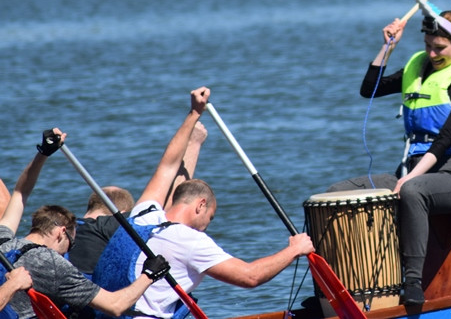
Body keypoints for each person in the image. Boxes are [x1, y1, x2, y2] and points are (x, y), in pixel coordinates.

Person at [93, 87, 315, 319]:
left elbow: (168, 165)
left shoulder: (143, 214)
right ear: (200, 206)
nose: (205, 227)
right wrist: (294, 250)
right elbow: (250, 277)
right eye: (209, 218)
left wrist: (194, 114)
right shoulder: (190, 241)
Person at [328, 0, 451, 306]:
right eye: (429, 46)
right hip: (409, 171)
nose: (432, 54)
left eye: (440, 48)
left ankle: (412, 283)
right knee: (338, 193)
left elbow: (444, 141)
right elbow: (369, 89)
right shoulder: (417, 68)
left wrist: (409, 179)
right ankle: (338, 289)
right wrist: (387, 46)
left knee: (413, 190)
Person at [0, 128, 171, 319]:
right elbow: (115, 305)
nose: (66, 253)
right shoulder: (53, 264)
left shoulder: (3, 241)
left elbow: (20, 193)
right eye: (70, 245)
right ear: (61, 232)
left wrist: (43, 154)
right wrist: (149, 274)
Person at [68, 121, 207, 278]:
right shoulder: (111, 225)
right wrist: (194, 144)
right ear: (121, 214)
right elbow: (171, 213)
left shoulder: (65, 232)